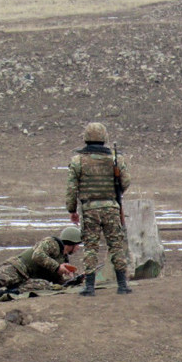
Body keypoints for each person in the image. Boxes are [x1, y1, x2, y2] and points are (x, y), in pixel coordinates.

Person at [66, 122, 132, 296]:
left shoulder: (77, 161)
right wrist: (115, 195)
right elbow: (125, 181)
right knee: (116, 246)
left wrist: (72, 209)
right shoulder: (115, 159)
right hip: (111, 207)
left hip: (89, 209)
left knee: (90, 247)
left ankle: (89, 287)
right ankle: (122, 285)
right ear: (104, 138)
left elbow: (71, 188)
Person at [0, 227, 82, 306]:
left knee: (44, 285)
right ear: (72, 242)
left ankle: (6, 293)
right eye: (78, 245)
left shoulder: (63, 258)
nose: (78, 248)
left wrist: (70, 279)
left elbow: (56, 282)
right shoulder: (52, 243)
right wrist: (58, 267)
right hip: (18, 267)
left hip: (28, 278)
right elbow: (37, 256)